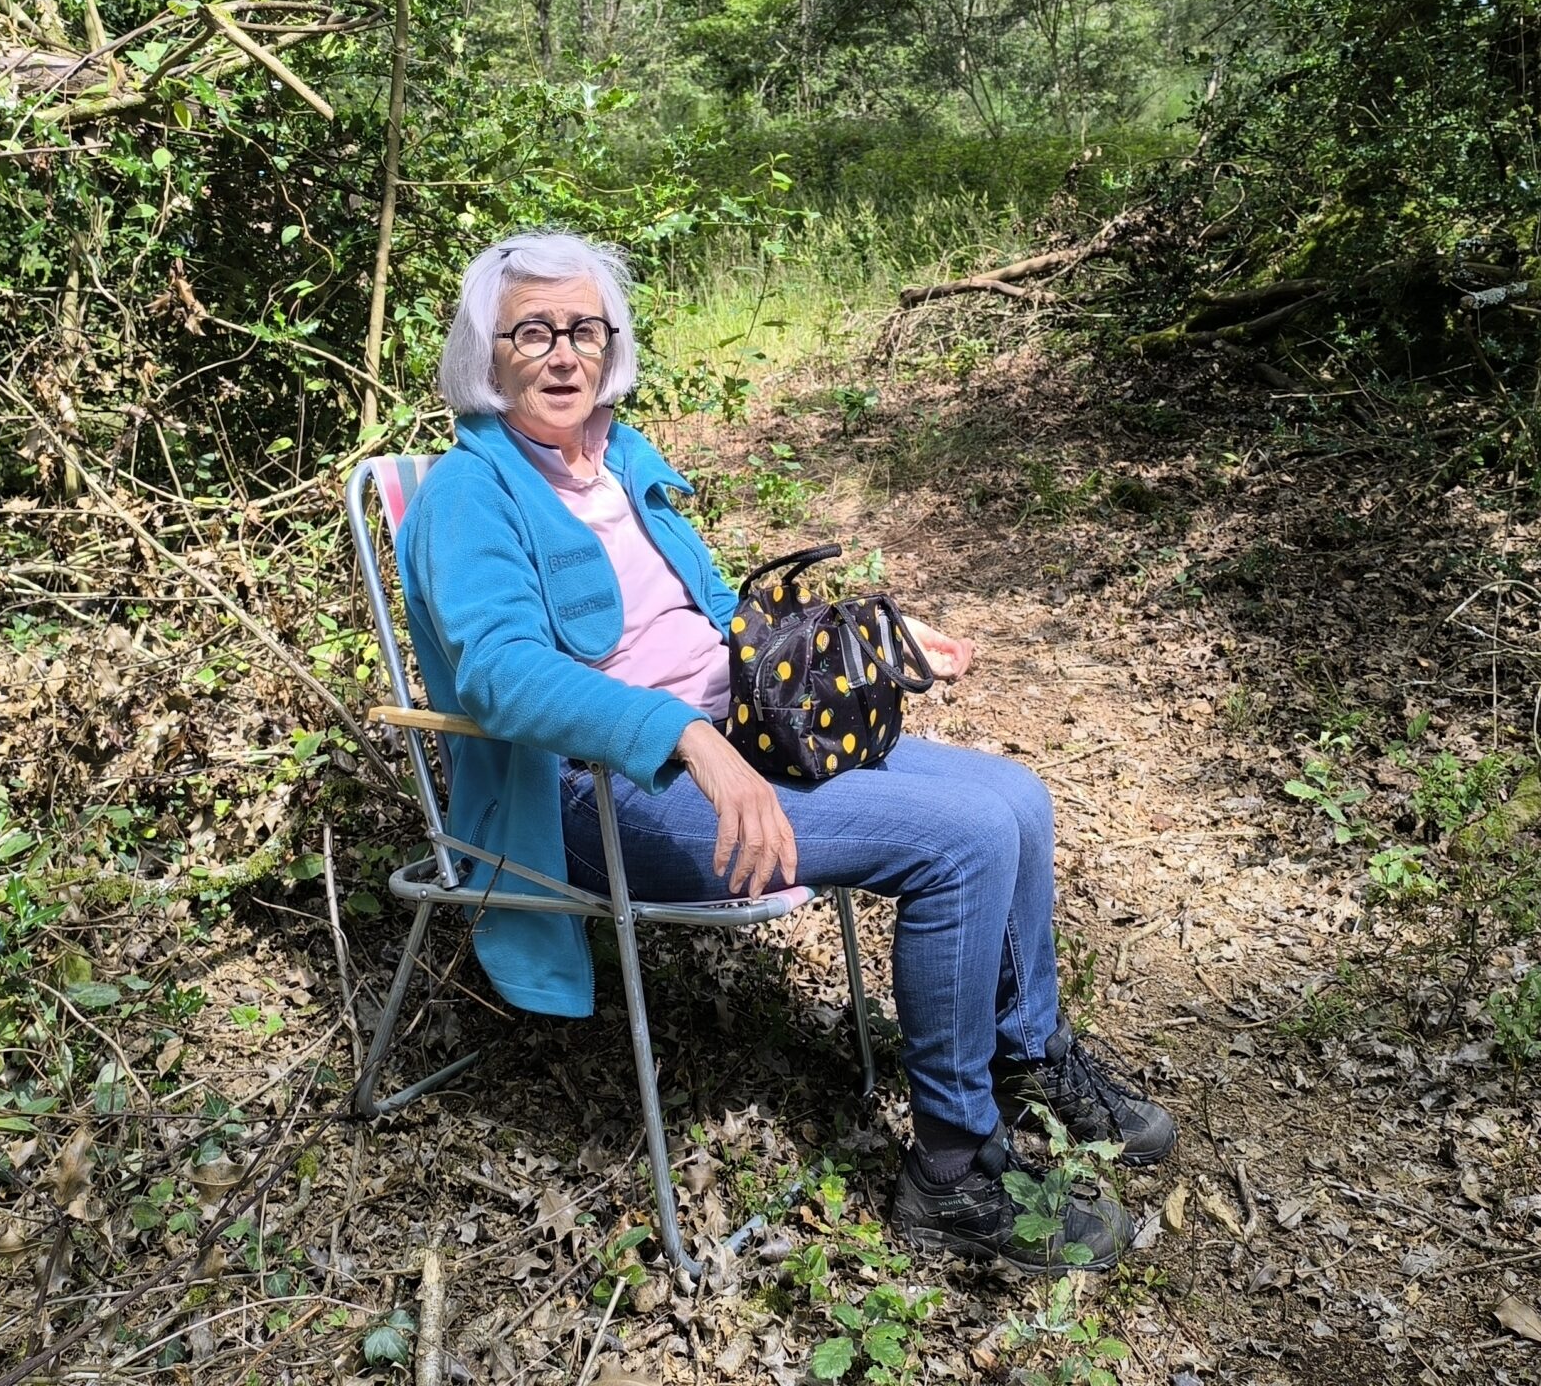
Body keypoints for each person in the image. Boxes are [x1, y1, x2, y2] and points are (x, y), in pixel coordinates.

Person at [395, 230, 1174, 1271]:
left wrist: (863, 648)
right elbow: (498, 673)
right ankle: (950, 1174)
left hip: (734, 741)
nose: (562, 354)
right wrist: (681, 738)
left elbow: (719, 620)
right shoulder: (471, 492)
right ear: (485, 355)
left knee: (1016, 800)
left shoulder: (620, 461)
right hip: (597, 796)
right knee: (961, 844)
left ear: (610, 342)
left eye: (582, 328)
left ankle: (1025, 1058)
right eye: (530, 332)